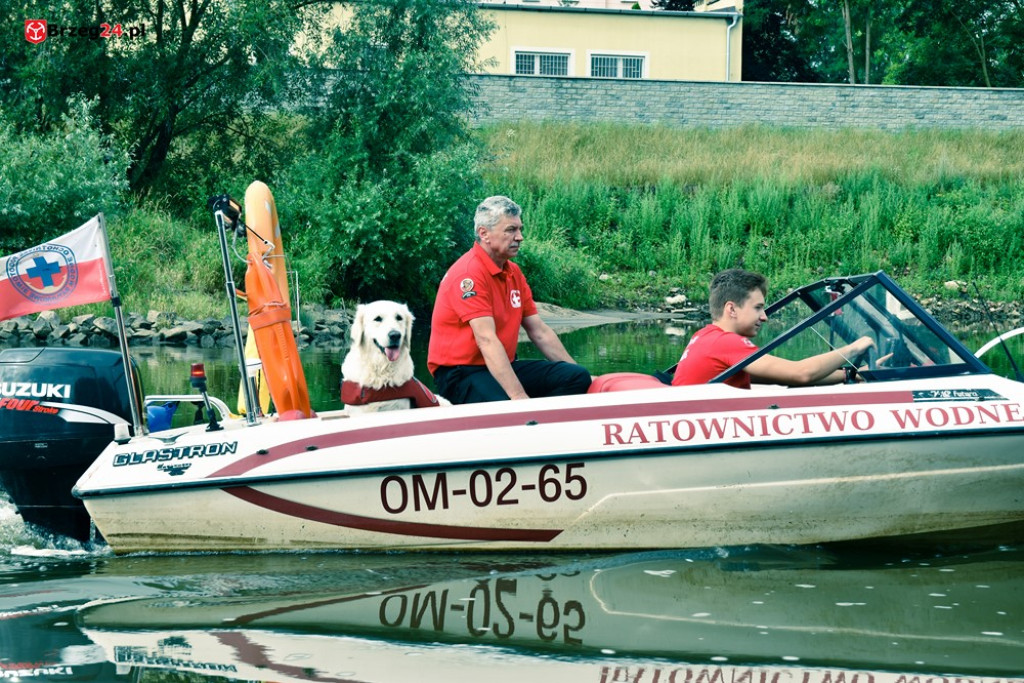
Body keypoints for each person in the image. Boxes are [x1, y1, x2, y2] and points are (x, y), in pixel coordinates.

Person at [428, 196, 592, 403]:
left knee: (577, 377)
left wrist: (584, 378)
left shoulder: (513, 272)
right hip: (461, 374)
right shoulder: (468, 274)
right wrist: (518, 397)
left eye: (519, 229)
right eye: (511, 230)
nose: (520, 237)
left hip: (500, 365)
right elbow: (486, 339)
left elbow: (539, 331)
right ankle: (525, 421)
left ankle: (542, 426)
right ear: (484, 234)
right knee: (507, 403)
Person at [672, 268, 875, 389]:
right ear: (731, 309)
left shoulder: (705, 336)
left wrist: (851, 374)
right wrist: (856, 347)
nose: (764, 317)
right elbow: (801, 373)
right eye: (758, 308)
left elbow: (783, 376)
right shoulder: (724, 342)